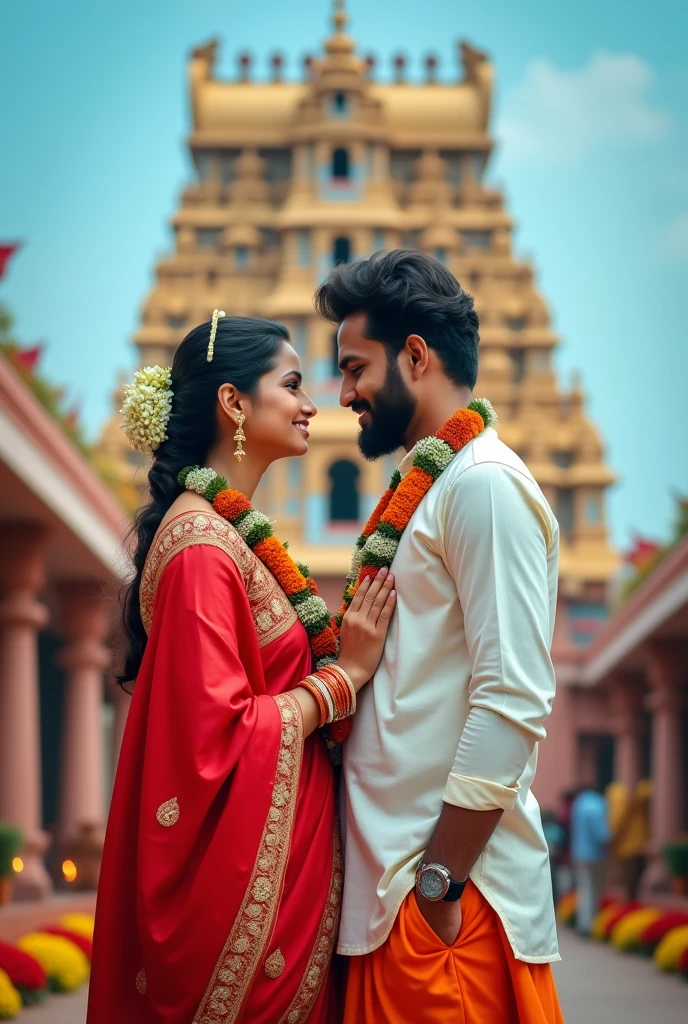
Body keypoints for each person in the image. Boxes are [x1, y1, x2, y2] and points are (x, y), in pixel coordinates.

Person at [87, 314, 396, 1023]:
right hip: (237, 912)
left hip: (283, 877)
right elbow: (215, 735)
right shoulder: (202, 547)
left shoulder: (226, 535)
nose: (313, 403)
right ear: (234, 403)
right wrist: (343, 679)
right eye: (291, 385)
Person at [315, 250, 564, 1023]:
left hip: (447, 914)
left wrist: (439, 886)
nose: (345, 392)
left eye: (356, 367)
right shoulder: (430, 487)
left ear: (415, 356)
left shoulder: (483, 484)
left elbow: (514, 698)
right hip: (399, 909)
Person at [570, 785, 610, 936]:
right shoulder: (597, 803)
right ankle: (592, 925)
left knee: (584, 889)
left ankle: (583, 924)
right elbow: (601, 833)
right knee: (594, 890)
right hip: (595, 854)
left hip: (579, 853)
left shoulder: (579, 803)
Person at [606, 779, 652, 900]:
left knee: (630, 881)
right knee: (633, 880)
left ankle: (630, 906)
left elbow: (617, 820)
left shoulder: (618, 794)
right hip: (637, 844)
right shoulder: (639, 795)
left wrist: (611, 837)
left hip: (627, 847)